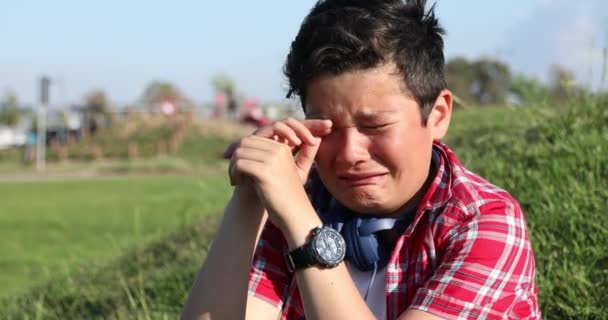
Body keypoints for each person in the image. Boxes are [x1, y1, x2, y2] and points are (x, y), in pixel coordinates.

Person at [181, 0, 541, 319]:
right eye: (329, 129)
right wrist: (249, 199)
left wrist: (303, 225)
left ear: (439, 115)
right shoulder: (302, 204)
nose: (350, 153)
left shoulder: (485, 223)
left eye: (375, 125)